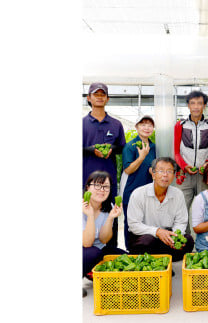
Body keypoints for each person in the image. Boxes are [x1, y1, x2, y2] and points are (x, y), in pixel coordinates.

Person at [83, 82, 126, 248]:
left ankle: (111, 251)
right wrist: (91, 150)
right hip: (86, 179)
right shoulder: (81, 123)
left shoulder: (115, 124)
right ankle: (86, 252)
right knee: (85, 215)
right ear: (89, 98)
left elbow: (121, 147)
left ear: (107, 99)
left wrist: (111, 150)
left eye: (103, 94)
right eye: (96, 94)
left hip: (109, 182)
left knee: (111, 215)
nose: (99, 97)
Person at [126, 157, 194, 261]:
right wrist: (157, 231)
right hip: (144, 238)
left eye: (169, 171)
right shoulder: (138, 193)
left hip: (167, 239)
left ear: (174, 175)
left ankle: (161, 259)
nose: (165, 175)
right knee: (148, 241)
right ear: (153, 174)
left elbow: (181, 221)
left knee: (188, 240)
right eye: (161, 171)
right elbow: (134, 225)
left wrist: (174, 237)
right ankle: (160, 260)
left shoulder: (178, 194)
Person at [174, 90, 208, 234]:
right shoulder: (180, 125)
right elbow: (176, 152)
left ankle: (205, 243)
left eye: (199, 103)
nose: (196, 106)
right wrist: (184, 166)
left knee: (205, 209)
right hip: (185, 175)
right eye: (192, 103)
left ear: (204, 105)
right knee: (182, 209)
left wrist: (207, 164)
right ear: (188, 106)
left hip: (204, 174)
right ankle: (185, 241)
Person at [83, 171, 126, 296]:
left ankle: (93, 272)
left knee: (126, 258)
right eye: (97, 185)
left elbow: (104, 239)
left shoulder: (109, 206)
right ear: (87, 187)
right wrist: (90, 215)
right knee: (93, 253)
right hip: (85, 251)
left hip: (99, 250)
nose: (102, 190)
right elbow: (86, 243)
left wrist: (111, 218)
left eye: (106, 186)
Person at [121, 115, 157, 250]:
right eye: (143, 124)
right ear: (136, 127)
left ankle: (144, 250)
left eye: (150, 125)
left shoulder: (153, 147)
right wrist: (141, 157)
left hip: (148, 191)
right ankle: (130, 250)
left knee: (146, 221)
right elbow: (128, 169)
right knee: (130, 222)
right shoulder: (130, 146)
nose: (147, 128)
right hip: (131, 190)